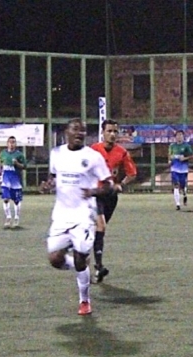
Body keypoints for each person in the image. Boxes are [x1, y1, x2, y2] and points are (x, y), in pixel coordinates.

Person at [42, 119, 114, 316]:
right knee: (55, 259)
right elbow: (54, 177)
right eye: (75, 129)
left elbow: (109, 185)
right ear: (66, 132)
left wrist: (92, 191)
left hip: (83, 214)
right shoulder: (56, 153)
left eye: (83, 130)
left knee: (81, 255)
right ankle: (79, 267)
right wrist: (49, 185)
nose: (80, 133)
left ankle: (84, 300)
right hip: (61, 214)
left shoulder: (93, 157)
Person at [90, 119, 138, 283]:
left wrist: (121, 185)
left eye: (115, 131)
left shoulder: (122, 152)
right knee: (100, 226)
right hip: (96, 194)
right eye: (109, 131)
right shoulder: (93, 150)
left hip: (111, 197)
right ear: (103, 132)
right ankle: (99, 266)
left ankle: (95, 264)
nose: (112, 134)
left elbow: (132, 173)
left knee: (99, 231)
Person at [0, 136, 27, 228]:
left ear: (16, 144)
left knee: (16, 201)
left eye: (13, 142)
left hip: (15, 181)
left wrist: (17, 164)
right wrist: (0, 168)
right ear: (7, 143)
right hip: (6, 180)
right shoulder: (3, 153)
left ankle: (16, 218)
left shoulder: (19, 155)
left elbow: (25, 166)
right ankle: (8, 217)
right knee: (6, 199)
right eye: (10, 142)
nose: (12, 144)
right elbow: (0, 161)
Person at [169, 130, 193, 210]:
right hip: (174, 168)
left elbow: (191, 155)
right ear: (175, 137)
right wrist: (170, 160)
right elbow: (170, 155)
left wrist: (184, 158)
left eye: (180, 135)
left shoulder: (186, 146)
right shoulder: (172, 146)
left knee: (182, 186)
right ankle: (178, 204)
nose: (179, 137)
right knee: (176, 184)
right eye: (177, 135)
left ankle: (184, 194)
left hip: (183, 169)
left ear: (183, 137)